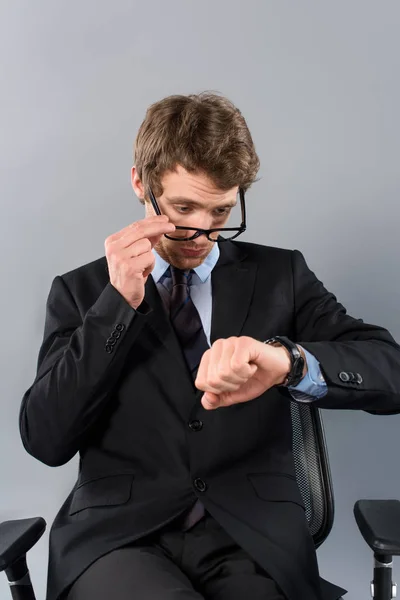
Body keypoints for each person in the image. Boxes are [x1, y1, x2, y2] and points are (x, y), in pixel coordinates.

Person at [19, 92, 400, 600]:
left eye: (220, 211)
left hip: (252, 538)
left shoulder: (280, 276)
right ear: (140, 183)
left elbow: (389, 370)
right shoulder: (80, 292)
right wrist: (117, 305)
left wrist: (288, 362)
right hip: (119, 540)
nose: (201, 232)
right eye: (183, 208)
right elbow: (46, 439)